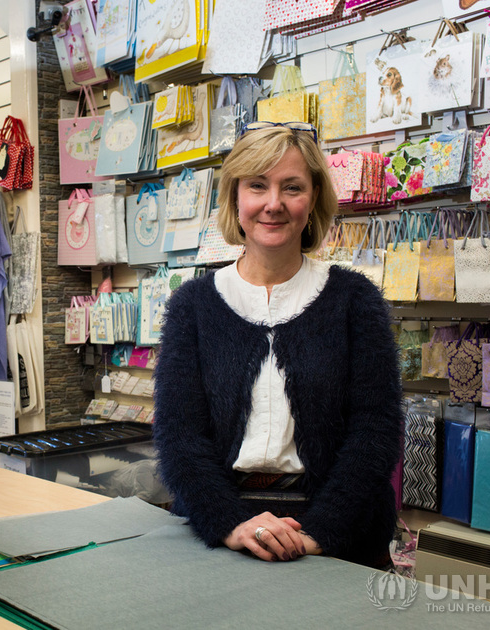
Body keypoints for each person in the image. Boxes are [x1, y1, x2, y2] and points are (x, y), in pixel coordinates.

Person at [153, 122, 403, 568]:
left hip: (338, 538)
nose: (273, 204)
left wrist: (319, 532)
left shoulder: (354, 299)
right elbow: (179, 437)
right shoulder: (193, 305)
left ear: (314, 198)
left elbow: (375, 431)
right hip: (222, 532)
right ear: (235, 197)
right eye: (257, 186)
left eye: (292, 187)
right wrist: (230, 523)